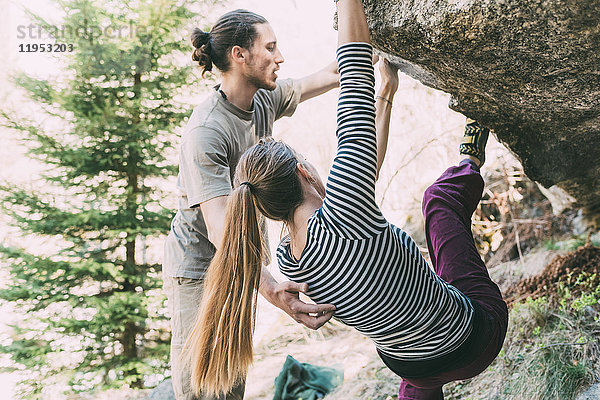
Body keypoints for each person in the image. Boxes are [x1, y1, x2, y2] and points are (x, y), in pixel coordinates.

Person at [185, 1, 509, 399]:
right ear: (305, 172)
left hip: (414, 367)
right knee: (438, 204)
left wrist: (385, 98)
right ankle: (469, 160)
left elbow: (363, 176)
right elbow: (355, 77)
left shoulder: (291, 261)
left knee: (416, 365)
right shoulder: (343, 211)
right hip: (475, 339)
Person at [162, 9, 340, 400]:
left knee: (230, 381)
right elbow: (220, 229)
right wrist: (274, 290)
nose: (280, 57)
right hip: (198, 269)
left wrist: (371, 49)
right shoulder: (206, 132)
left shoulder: (263, 99)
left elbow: (326, 76)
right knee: (200, 385)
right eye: (271, 47)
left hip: (241, 263)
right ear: (240, 55)